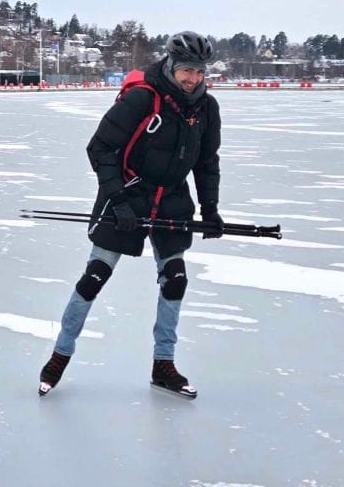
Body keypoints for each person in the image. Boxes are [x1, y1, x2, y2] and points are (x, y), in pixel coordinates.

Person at [39, 31, 223, 399]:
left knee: (175, 279)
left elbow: (206, 162)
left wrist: (210, 208)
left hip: (172, 199)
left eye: (199, 72)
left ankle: (163, 366)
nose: (193, 79)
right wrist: (119, 200)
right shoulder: (142, 99)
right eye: (187, 70)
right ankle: (59, 356)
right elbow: (100, 147)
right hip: (127, 193)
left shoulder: (206, 108)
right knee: (94, 277)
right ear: (171, 66)